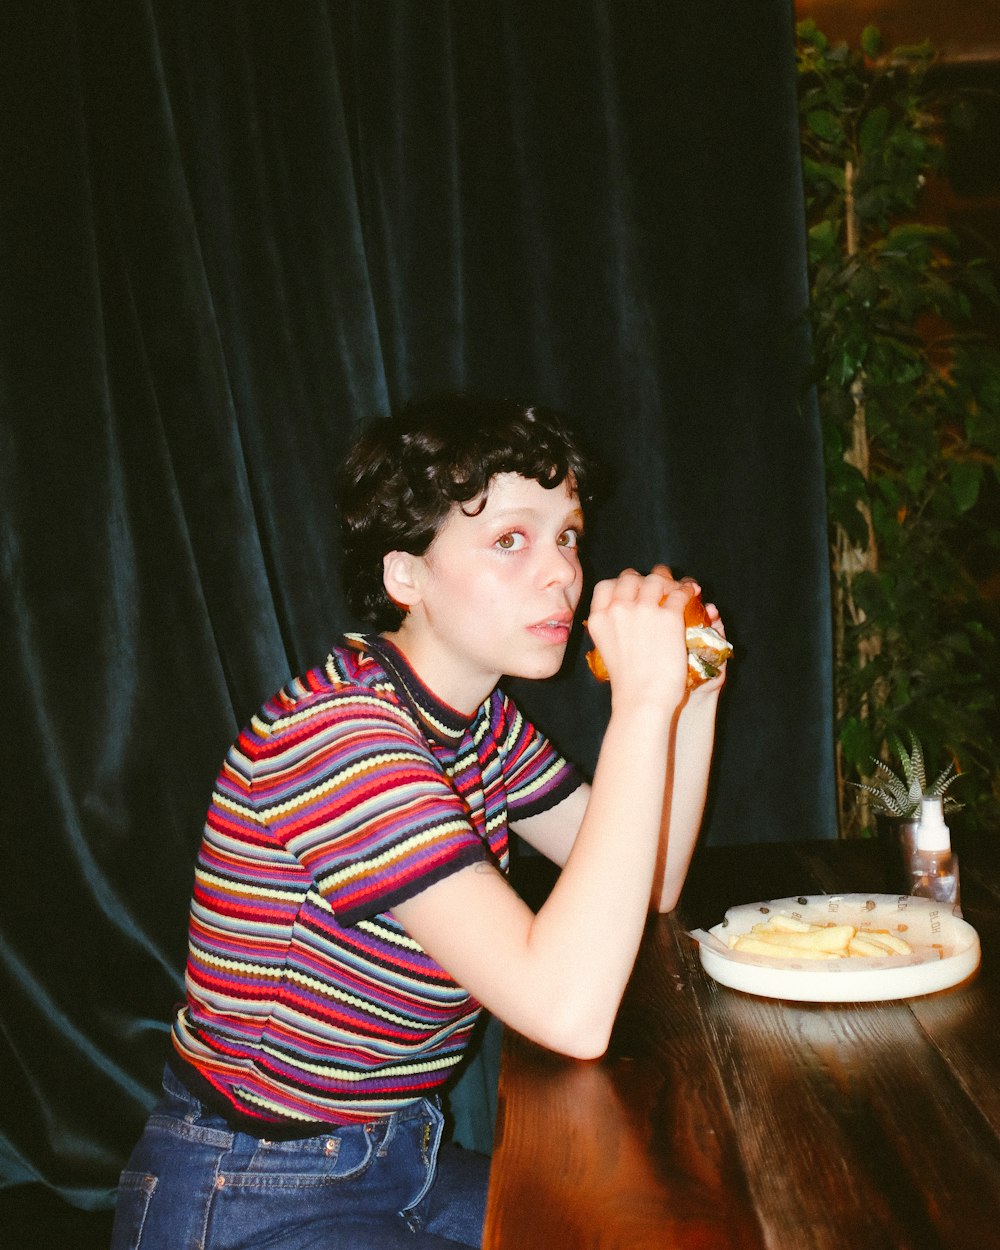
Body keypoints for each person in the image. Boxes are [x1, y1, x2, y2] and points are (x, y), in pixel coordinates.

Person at [109, 394, 727, 1250]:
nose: (561, 573)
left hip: (406, 1156)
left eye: (568, 536)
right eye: (510, 540)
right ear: (407, 576)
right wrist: (642, 707)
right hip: (251, 1187)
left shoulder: (478, 723)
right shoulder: (339, 736)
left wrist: (691, 695)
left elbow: (651, 880)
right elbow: (567, 1008)